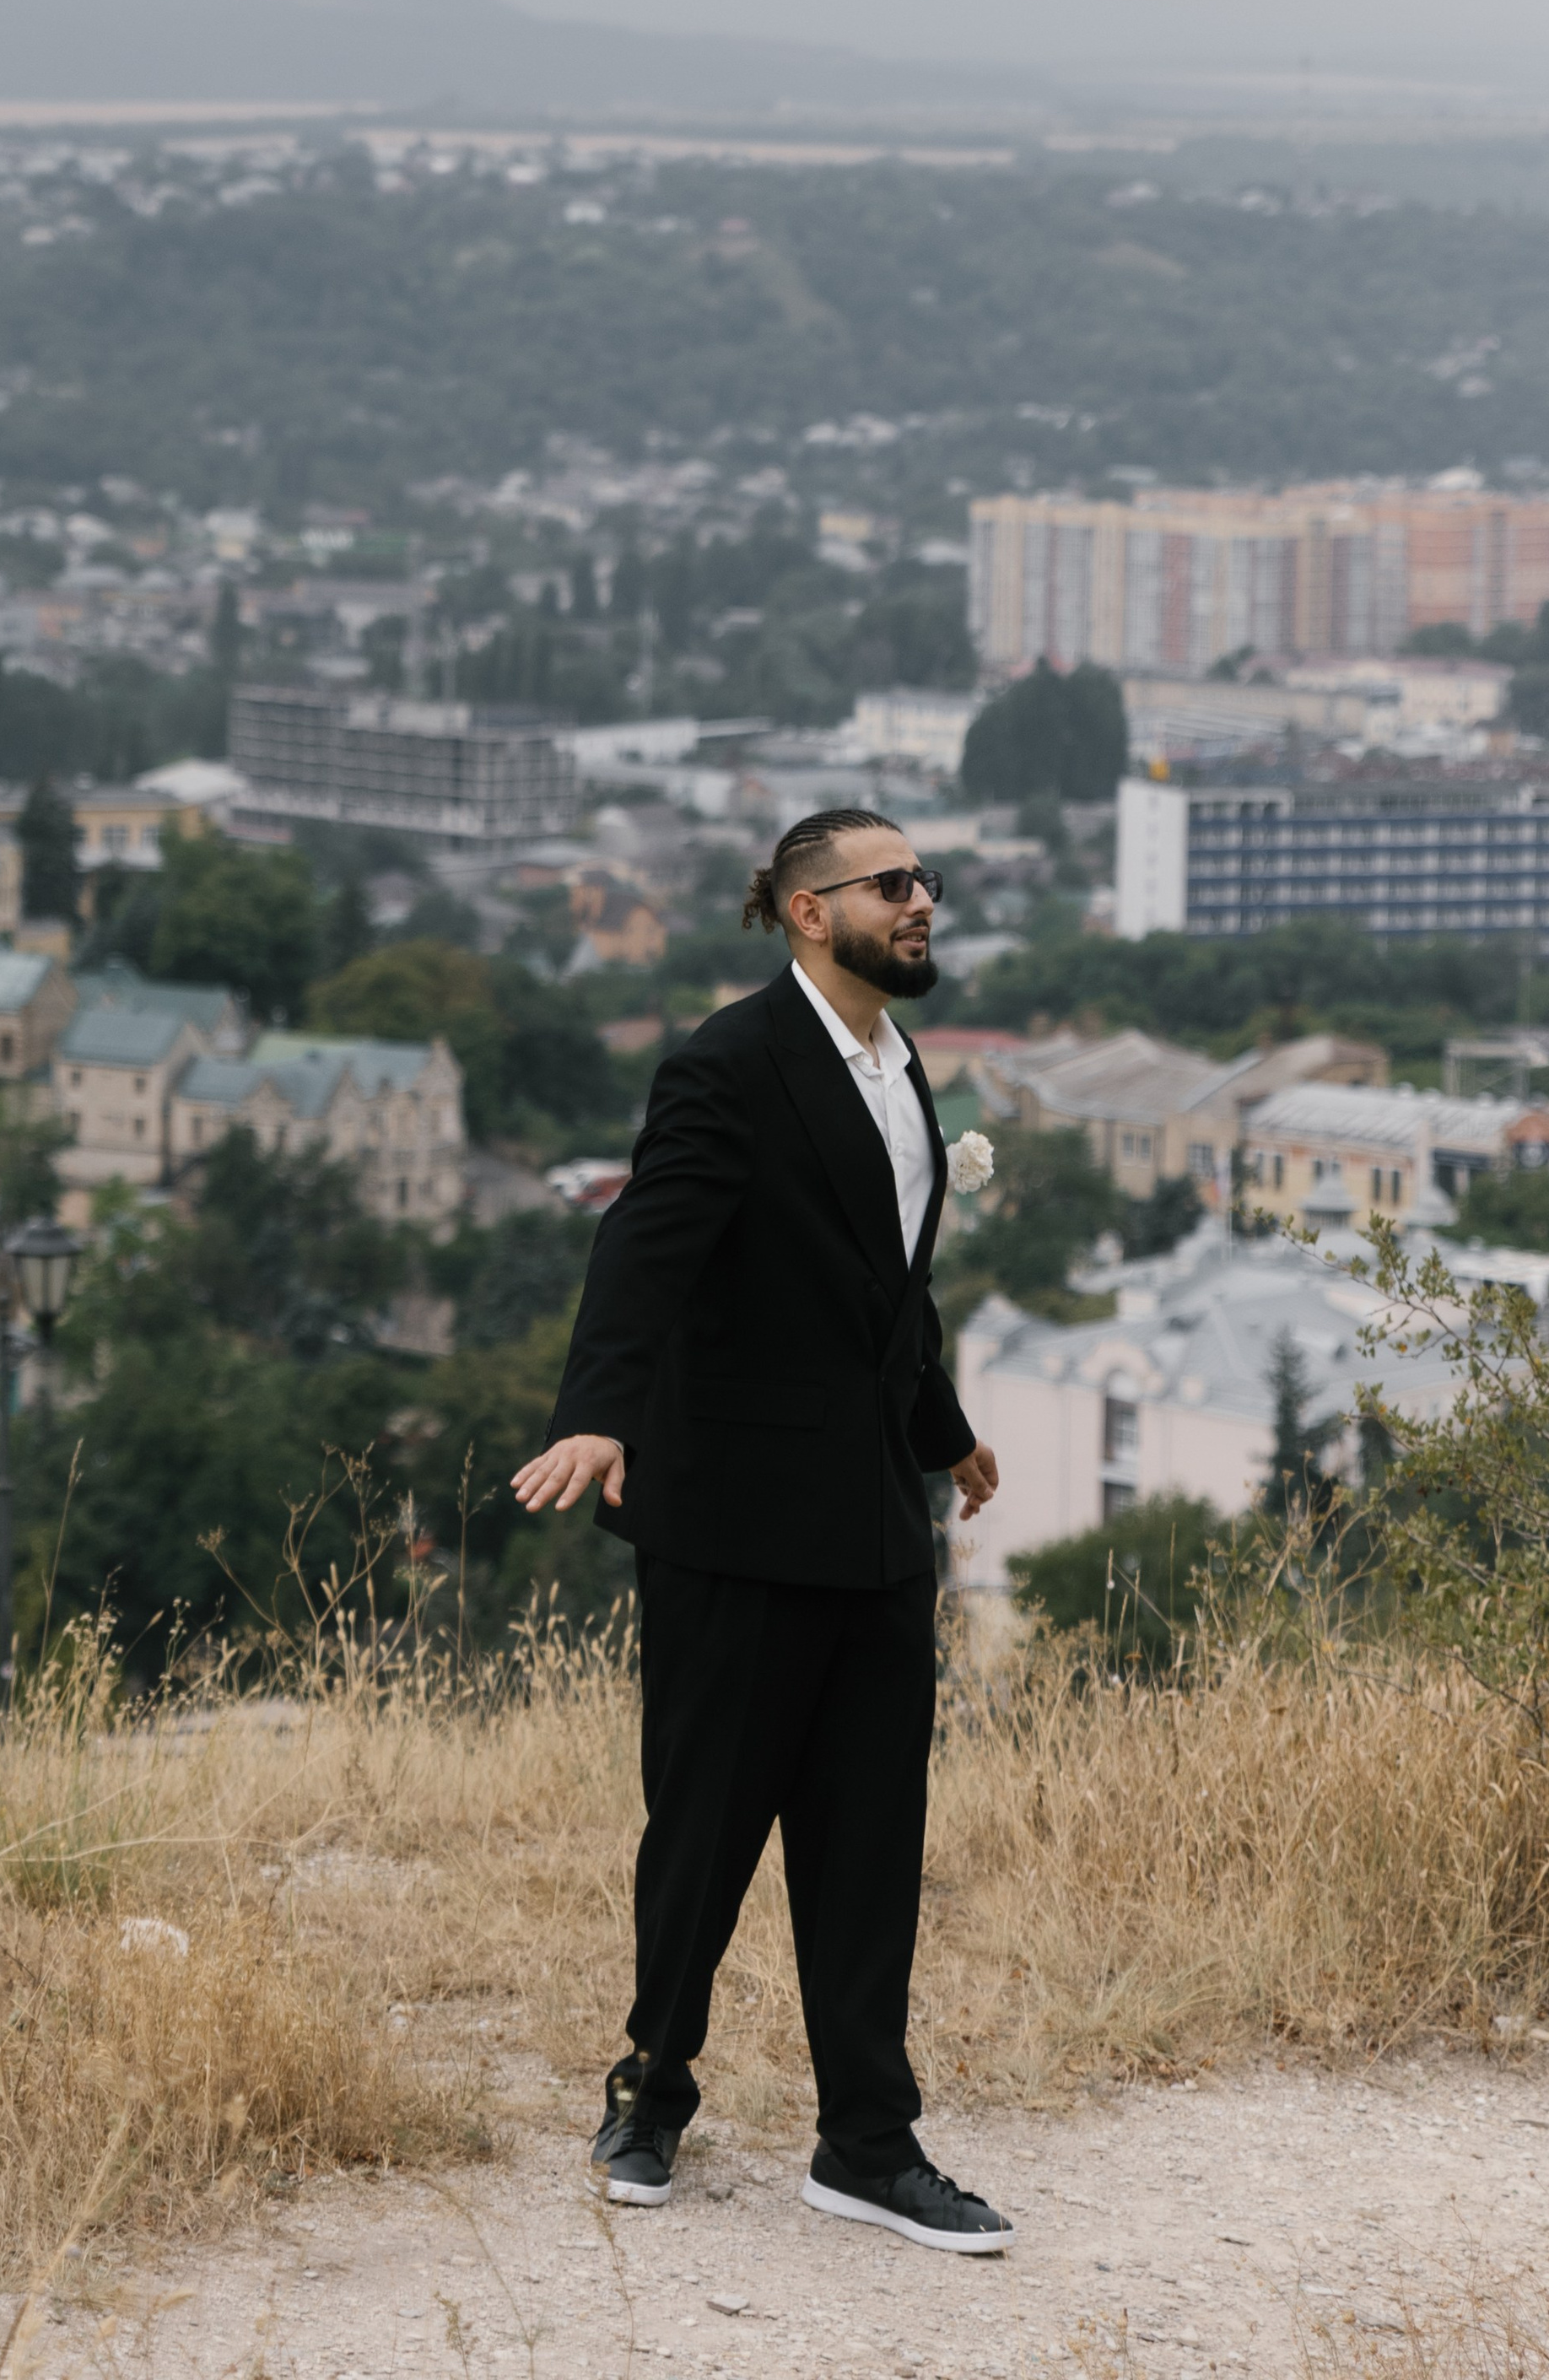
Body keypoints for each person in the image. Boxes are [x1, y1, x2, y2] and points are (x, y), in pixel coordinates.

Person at [512, 805, 1012, 2253]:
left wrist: (944, 1432)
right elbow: (643, 1244)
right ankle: (651, 2092)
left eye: (925, 881)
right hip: (731, 1524)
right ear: (808, 912)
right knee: (708, 1831)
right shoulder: (728, 1065)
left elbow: (881, 1294)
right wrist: (597, 1412)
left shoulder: (898, 1065)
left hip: (871, 1528)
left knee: (871, 1843)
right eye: (892, 885)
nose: (923, 902)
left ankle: (868, 2143)